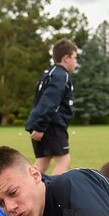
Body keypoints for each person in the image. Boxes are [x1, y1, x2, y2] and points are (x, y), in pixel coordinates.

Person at [25, 39, 77, 175]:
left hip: (43, 124)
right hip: (51, 126)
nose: (76, 62)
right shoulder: (61, 75)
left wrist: (37, 125)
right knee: (63, 161)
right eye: (75, 58)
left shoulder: (50, 73)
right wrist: (40, 126)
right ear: (66, 58)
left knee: (42, 162)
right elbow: (49, 101)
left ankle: (24, 190)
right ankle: (52, 195)